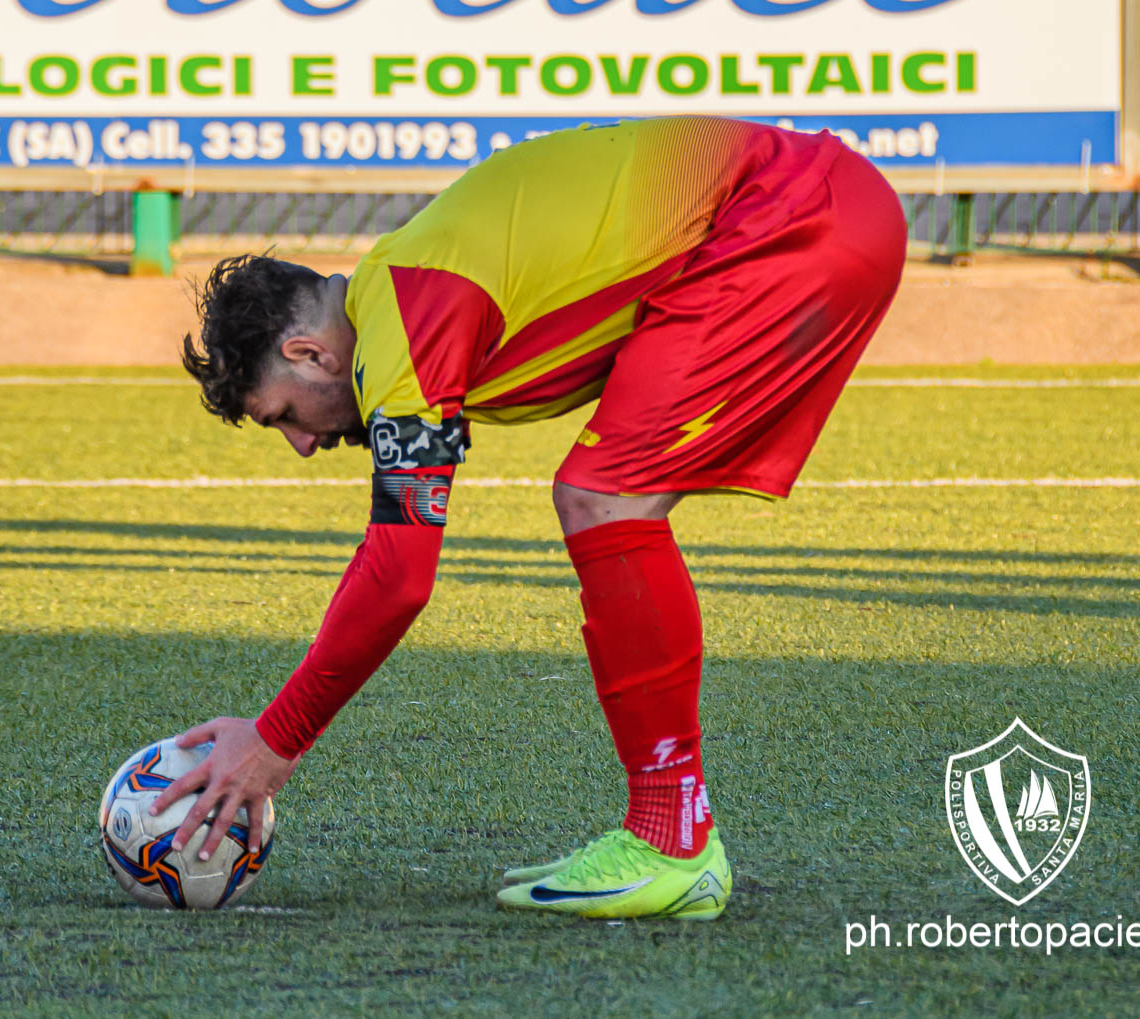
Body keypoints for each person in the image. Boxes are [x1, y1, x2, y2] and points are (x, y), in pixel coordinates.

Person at [152, 115, 906, 920]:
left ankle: (674, 841)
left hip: (791, 217)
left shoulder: (404, 309)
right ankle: (672, 833)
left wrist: (276, 739)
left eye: (282, 416)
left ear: (310, 353)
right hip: (815, 206)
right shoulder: (402, 288)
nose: (304, 443)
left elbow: (399, 574)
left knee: (604, 496)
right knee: (606, 495)